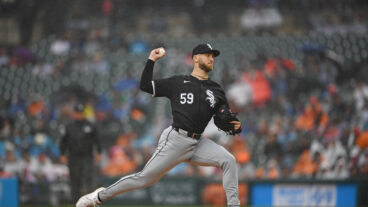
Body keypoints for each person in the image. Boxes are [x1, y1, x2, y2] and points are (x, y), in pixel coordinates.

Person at [76, 44, 242, 207]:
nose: (211, 58)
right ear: (196, 58)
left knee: (228, 160)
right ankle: (98, 197)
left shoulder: (216, 89)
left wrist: (231, 123)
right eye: (208, 55)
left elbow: (222, 116)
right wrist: (151, 60)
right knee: (145, 178)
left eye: (213, 56)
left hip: (198, 143)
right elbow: (146, 85)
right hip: (176, 139)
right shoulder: (179, 82)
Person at [60, 103, 101, 202]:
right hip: (73, 157)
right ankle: (76, 202)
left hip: (87, 157)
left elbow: (97, 140)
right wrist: (62, 154)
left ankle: (91, 202)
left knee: (89, 180)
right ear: (74, 113)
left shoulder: (90, 125)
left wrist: (99, 152)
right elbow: (63, 141)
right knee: (75, 181)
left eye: (81, 113)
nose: (79, 115)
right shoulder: (69, 126)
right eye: (77, 113)